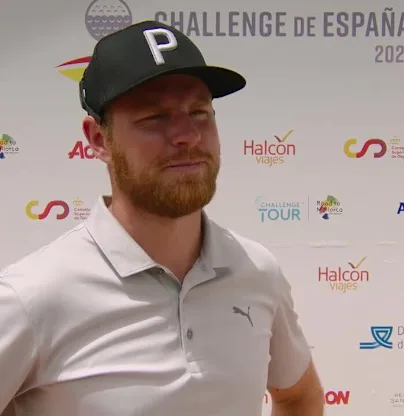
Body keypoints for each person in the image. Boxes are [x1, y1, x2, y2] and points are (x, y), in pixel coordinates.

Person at [0, 20, 324, 416]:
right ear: (99, 140)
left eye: (199, 112)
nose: (188, 135)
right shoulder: (32, 297)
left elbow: (298, 397)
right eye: (154, 116)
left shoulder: (255, 271)